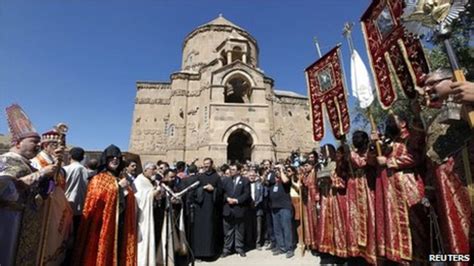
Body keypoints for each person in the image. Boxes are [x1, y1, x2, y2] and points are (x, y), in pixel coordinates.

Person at [421, 68, 473, 257]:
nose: (426, 89)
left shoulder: (469, 101)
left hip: (466, 181)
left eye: (431, 83)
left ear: (450, 80)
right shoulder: (436, 116)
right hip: (445, 189)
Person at [0, 104, 58, 265]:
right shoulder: (6, 160)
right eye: (34, 141)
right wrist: (41, 174)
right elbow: (7, 189)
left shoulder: (28, 164)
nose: (38, 146)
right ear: (18, 143)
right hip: (8, 223)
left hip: (26, 224)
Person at [374, 113, 426, 263]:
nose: (388, 123)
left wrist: (390, 161)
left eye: (392, 121)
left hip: (410, 186)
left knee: (415, 225)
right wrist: (376, 142)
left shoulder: (411, 136)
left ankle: (421, 260)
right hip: (393, 190)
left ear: (403, 123)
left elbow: (415, 156)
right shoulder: (393, 140)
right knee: (397, 225)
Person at [73, 145, 137, 265]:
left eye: (117, 157)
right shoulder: (99, 179)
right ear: (105, 160)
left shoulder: (120, 178)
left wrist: (126, 192)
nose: (115, 160)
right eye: (111, 157)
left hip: (119, 223)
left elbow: (129, 199)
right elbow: (96, 200)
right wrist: (118, 188)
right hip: (101, 225)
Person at [30, 128, 73, 266]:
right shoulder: (35, 163)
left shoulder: (59, 165)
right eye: (55, 145)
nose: (59, 149)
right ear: (45, 145)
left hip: (57, 210)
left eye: (61, 146)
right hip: (42, 210)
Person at [345, 131, 376, 264]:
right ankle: (358, 253)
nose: (355, 140)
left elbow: (363, 162)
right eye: (353, 138)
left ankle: (372, 252)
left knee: (370, 219)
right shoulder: (352, 153)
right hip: (354, 191)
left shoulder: (371, 150)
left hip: (368, 188)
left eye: (357, 138)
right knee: (355, 221)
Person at [187, 157, 223, 259]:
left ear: (211, 164)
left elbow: (221, 191)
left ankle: (209, 254)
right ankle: (198, 253)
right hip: (200, 207)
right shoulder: (200, 177)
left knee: (209, 230)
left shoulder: (216, 177)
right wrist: (202, 188)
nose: (206, 166)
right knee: (199, 231)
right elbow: (193, 190)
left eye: (208, 164)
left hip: (211, 208)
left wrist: (214, 189)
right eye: (205, 164)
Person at [132, 162, 161, 265]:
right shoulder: (139, 181)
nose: (155, 171)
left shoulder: (151, 181)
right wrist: (152, 194)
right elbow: (138, 198)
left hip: (152, 213)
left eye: (155, 169)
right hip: (143, 217)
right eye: (152, 169)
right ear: (145, 170)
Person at [221, 163, 250, 257]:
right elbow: (222, 192)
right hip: (228, 209)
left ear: (238, 171)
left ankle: (239, 248)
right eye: (230, 169)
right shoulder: (225, 180)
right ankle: (227, 249)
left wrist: (237, 200)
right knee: (227, 231)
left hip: (239, 209)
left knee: (239, 230)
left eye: (233, 169)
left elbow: (246, 194)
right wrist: (227, 198)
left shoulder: (245, 181)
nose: (231, 171)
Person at [268, 164, 294, 258]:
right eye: (276, 170)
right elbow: (264, 181)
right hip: (274, 207)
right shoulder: (273, 181)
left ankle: (289, 249)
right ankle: (281, 247)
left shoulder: (286, 179)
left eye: (278, 170)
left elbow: (286, 180)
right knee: (277, 229)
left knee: (286, 228)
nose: (277, 171)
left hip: (284, 207)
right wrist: (271, 170)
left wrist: (282, 170)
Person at [63, 147, 89, 233]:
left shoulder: (65, 169)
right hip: (80, 206)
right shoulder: (86, 171)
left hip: (65, 204)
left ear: (69, 156)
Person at [300, 152, 319, 250]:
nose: (306, 167)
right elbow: (304, 185)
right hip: (307, 199)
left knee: (316, 221)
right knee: (309, 221)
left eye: (307, 165)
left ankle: (317, 243)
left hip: (314, 198)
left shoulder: (315, 172)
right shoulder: (305, 174)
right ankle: (310, 243)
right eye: (305, 165)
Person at [248, 169, 265, 250]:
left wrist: (256, 203)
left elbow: (262, 196)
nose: (251, 177)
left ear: (255, 176)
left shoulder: (259, 184)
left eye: (253, 175)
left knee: (258, 227)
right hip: (248, 209)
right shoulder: (246, 184)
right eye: (250, 175)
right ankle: (250, 243)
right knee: (249, 227)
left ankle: (257, 243)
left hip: (258, 209)